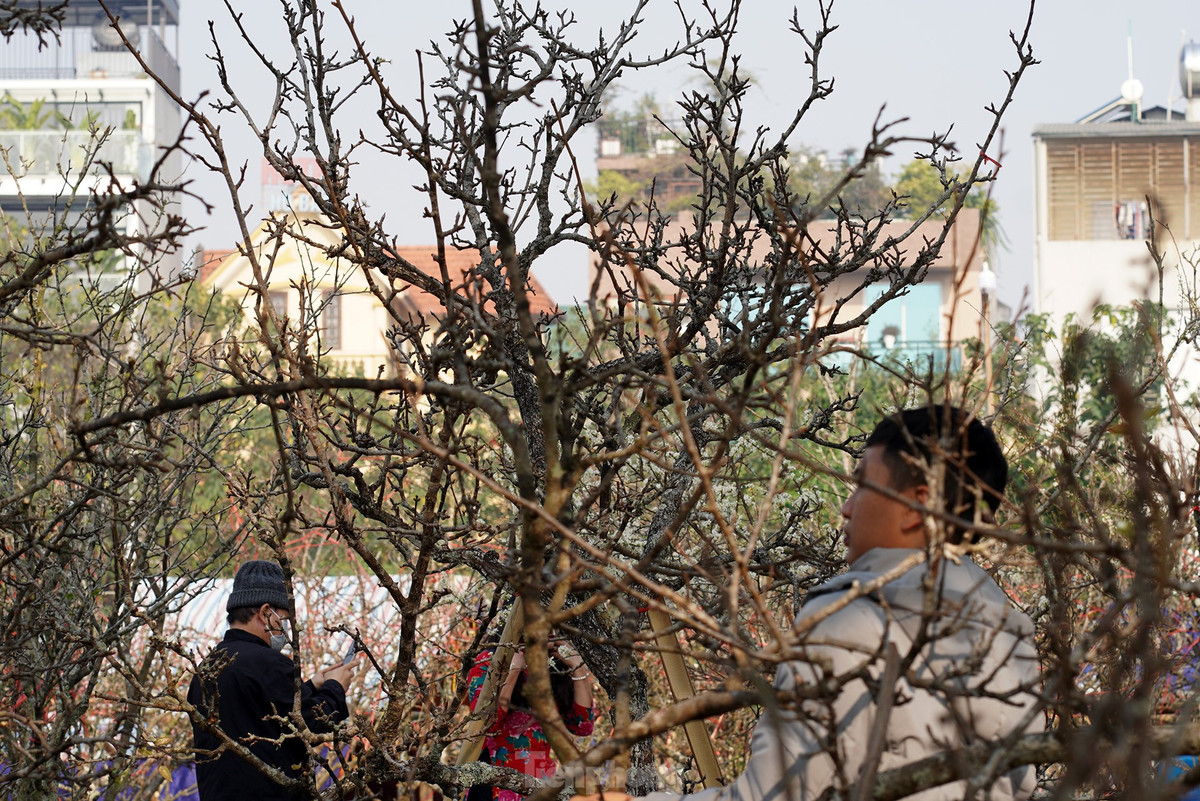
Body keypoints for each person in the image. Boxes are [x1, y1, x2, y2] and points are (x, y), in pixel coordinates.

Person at [576, 405, 1043, 801]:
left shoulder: (853, 617)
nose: (847, 506)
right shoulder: (1012, 632)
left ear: (916, 505)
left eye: (863, 484)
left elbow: (775, 795)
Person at [187, 560, 358, 801]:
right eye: (283, 619)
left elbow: (260, 714)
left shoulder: (207, 667)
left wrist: (311, 686)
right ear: (266, 612)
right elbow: (313, 724)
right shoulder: (268, 663)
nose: (285, 628)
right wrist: (336, 687)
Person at [467, 638, 595, 801]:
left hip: (540, 780)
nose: (548, 631)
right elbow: (485, 723)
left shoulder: (553, 664)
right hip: (494, 782)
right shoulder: (490, 660)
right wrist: (514, 670)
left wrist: (578, 668)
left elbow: (582, 726)